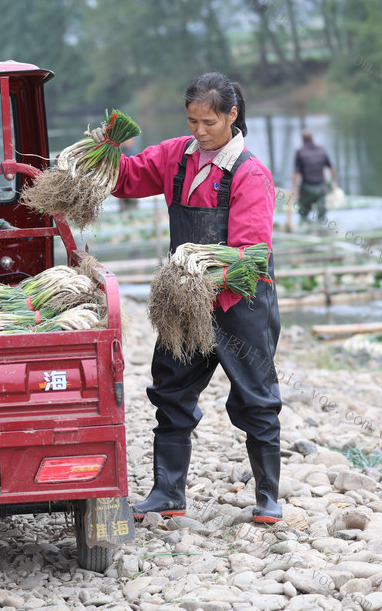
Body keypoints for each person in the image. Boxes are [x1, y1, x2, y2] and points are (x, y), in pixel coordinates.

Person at [108, 72, 283, 524]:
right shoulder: (175, 157)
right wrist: (103, 154)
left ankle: (268, 497)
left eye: (208, 122)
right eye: (192, 121)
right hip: (184, 304)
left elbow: (250, 253)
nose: (200, 132)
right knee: (169, 391)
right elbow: (127, 179)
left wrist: (199, 281)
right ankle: (168, 492)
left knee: (256, 399)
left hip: (239, 303)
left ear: (232, 115)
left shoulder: (250, 174)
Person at [291, 129, 336, 223]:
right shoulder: (322, 150)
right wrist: (333, 183)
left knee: (303, 212)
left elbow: (296, 173)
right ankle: (322, 230)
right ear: (313, 138)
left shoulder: (300, 152)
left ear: (302, 140)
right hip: (321, 188)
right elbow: (332, 169)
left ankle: (306, 229)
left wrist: (294, 188)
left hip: (307, 188)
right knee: (322, 215)